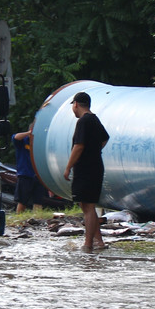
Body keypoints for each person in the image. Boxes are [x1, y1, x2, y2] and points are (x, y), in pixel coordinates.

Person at [63, 91, 109, 253]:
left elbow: (79, 146)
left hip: (86, 169)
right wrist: (94, 151)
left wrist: (68, 166)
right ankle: (99, 241)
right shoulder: (95, 119)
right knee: (88, 205)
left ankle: (88, 244)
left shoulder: (83, 121)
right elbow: (105, 138)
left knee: (88, 207)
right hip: (95, 166)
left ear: (75, 104)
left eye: (73, 106)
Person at [12, 126, 38, 213]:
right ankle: (19, 218)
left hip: (38, 176)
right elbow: (15, 137)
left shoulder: (39, 144)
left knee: (38, 201)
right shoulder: (23, 141)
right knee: (22, 201)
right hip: (25, 174)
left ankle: (38, 219)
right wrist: (29, 133)